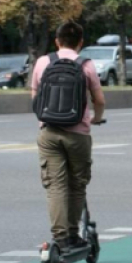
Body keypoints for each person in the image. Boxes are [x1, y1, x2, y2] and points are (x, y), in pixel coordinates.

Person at [31, 21, 105, 250]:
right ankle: (73, 235)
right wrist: (96, 117)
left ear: (57, 41)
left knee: (56, 185)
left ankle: (60, 237)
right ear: (80, 43)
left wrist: (45, 117)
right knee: (76, 185)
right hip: (78, 134)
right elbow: (99, 100)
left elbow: (35, 96)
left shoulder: (43, 62)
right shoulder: (87, 65)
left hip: (49, 132)